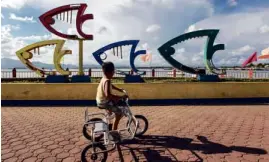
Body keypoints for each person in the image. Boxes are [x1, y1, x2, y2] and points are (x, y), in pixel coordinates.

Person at [96, 62, 128, 130]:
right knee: (119, 113)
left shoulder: (104, 78)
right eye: (113, 71)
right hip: (104, 102)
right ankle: (114, 131)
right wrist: (121, 96)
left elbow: (110, 86)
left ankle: (109, 123)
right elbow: (108, 95)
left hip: (100, 100)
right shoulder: (107, 81)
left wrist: (118, 89)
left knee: (113, 105)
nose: (114, 73)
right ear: (110, 72)